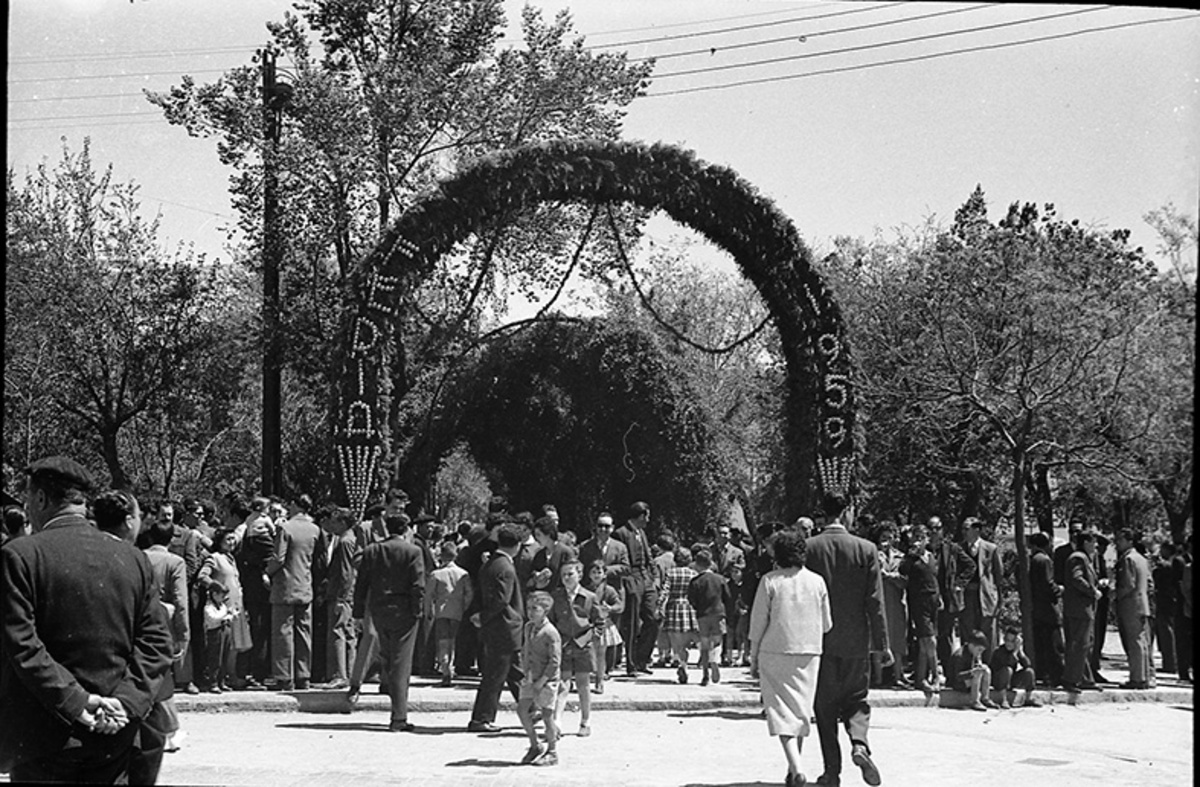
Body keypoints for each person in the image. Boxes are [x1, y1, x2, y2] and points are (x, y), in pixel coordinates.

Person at [0, 456, 173, 783]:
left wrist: (77, 701)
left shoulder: (20, 556)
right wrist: (127, 702)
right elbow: (157, 643)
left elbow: (21, 645)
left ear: (40, 499)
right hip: (116, 737)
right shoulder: (132, 557)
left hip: (44, 736)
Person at [804, 505, 888, 787]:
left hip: (820, 640)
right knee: (856, 700)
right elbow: (875, 601)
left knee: (824, 707)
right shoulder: (866, 549)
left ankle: (831, 772)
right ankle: (860, 743)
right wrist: (882, 643)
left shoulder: (809, 548)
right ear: (848, 513)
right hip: (856, 639)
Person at [748, 529, 832, 787]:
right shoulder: (817, 581)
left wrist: (753, 657)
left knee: (781, 712)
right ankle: (792, 766)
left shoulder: (769, 581)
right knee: (800, 711)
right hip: (809, 652)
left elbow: (758, 623)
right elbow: (827, 623)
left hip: (775, 651)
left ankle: (796, 768)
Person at [350, 513, 425, 731]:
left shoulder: (372, 550)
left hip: (378, 609)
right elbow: (418, 585)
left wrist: (358, 612)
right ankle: (399, 717)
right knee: (401, 662)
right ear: (406, 529)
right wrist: (417, 612)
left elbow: (361, 583)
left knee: (388, 656)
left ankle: (395, 709)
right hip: (404, 612)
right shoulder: (413, 551)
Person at [467, 522, 525, 733]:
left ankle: (531, 710)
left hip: (497, 627)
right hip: (504, 627)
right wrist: (482, 617)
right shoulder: (506, 567)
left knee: (514, 672)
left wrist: (477, 615)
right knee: (495, 676)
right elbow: (501, 600)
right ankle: (481, 718)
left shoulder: (490, 563)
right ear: (517, 545)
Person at [267, 494, 321, 691]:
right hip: (305, 585)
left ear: (296, 505)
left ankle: (283, 677)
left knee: (283, 632)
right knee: (304, 632)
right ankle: (303, 675)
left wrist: (267, 572)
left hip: (285, 586)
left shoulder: (285, 528)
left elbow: (279, 557)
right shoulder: (315, 529)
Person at [547, 560, 601, 737]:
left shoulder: (589, 597)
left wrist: (587, 638)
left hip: (583, 645)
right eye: (563, 575)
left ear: (579, 574)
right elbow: (552, 621)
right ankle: (557, 722)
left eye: (570, 574)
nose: (566, 578)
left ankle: (586, 721)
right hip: (563, 644)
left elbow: (598, 623)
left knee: (583, 684)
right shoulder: (556, 596)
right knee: (562, 684)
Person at [198, 528, 252, 688]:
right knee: (221, 646)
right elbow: (203, 576)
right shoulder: (214, 558)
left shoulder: (232, 559)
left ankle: (230, 676)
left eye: (233, 539)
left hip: (236, 607)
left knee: (234, 645)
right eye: (228, 539)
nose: (232, 542)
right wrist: (215, 586)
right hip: (223, 608)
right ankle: (220, 678)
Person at [613, 502, 660, 676]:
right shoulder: (621, 533)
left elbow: (649, 558)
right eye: (647, 516)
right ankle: (631, 664)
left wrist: (654, 577)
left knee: (654, 618)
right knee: (632, 624)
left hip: (645, 579)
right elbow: (621, 560)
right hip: (631, 579)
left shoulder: (642, 532)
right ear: (640, 516)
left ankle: (642, 658)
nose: (648, 520)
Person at [516, 592, 561, 767]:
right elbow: (525, 651)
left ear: (545, 610)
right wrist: (525, 673)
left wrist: (541, 681)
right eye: (528, 608)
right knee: (522, 710)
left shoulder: (550, 633)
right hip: (530, 676)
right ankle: (535, 744)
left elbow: (555, 661)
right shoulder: (528, 627)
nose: (530, 612)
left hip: (547, 680)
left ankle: (552, 751)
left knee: (547, 715)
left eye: (535, 608)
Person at [898, 524, 940, 693]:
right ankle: (936, 675)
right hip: (918, 600)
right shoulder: (910, 559)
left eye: (921, 537)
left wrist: (940, 596)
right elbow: (903, 571)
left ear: (927, 539)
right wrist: (910, 556)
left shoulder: (932, 557)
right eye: (915, 537)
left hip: (933, 599)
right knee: (929, 639)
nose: (918, 541)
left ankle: (921, 678)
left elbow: (935, 577)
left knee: (925, 642)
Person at [929, 516, 973, 676]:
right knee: (925, 636)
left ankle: (948, 672)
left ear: (942, 530)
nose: (933, 532)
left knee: (944, 635)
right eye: (931, 528)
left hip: (946, 598)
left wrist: (959, 584)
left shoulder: (951, 548)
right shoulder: (923, 548)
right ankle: (926, 670)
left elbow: (970, 565)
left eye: (937, 528)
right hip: (926, 598)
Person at [321, 508, 359, 689]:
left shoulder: (345, 542)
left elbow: (346, 572)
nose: (332, 524)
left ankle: (339, 674)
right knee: (348, 633)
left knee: (338, 632)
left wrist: (340, 598)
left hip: (341, 594)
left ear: (343, 523)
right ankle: (351, 673)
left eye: (335, 521)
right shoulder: (351, 539)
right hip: (349, 594)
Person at [426, 539, 472, 687]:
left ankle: (445, 668)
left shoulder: (436, 574)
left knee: (443, 641)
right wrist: (464, 606)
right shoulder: (463, 574)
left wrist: (428, 611)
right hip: (457, 611)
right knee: (453, 640)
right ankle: (450, 665)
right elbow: (469, 594)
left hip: (441, 612)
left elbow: (428, 595)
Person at [1061, 530, 1102, 692]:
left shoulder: (1085, 558)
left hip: (1084, 610)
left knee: (1085, 644)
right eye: (1093, 542)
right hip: (1079, 610)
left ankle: (1085, 678)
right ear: (1085, 542)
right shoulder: (1078, 558)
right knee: (1079, 644)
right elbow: (1077, 578)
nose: (1096, 546)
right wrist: (1093, 591)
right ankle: (1070, 679)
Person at [959, 517, 1003, 664]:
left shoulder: (991, 548)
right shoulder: (959, 548)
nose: (964, 532)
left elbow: (998, 575)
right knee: (968, 632)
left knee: (988, 634)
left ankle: (988, 668)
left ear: (976, 530)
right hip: (967, 596)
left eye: (967, 529)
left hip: (986, 597)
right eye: (963, 529)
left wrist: (999, 600)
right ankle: (968, 668)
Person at [1113, 528, 1153, 689]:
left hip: (1131, 604)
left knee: (1134, 642)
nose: (1116, 544)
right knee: (1142, 641)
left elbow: (1128, 584)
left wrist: (1115, 595)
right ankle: (1144, 676)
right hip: (1142, 603)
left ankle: (1137, 678)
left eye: (1120, 540)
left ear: (1130, 541)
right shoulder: (1141, 559)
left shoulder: (1128, 559)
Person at [872, 521, 909, 688]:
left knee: (897, 639)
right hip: (880, 601)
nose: (886, 540)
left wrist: (888, 576)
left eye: (889, 537)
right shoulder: (873, 555)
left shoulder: (901, 557)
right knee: (878, 638)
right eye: (883, 537)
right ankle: (878, 678)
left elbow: (905, 580)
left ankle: (897, 677)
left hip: (896, 601)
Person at [687, 549, 731, 686]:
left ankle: (705, 673)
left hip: (702, 615)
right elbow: (728, 597)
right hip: (718, 613)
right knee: (717, 641)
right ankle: (715, 660)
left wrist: (697, 608)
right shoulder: (720, 579)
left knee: (704, 645)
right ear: (710, 563)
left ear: (697, 564)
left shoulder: (695, 581)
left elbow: (691, 599)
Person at [1027, 532, 1064, 688]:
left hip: (1037, 608)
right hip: (1048, 609)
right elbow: (1048, 584)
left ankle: (1043, 674)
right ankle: (1056, 676)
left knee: (1041, 644)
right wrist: (1059, 590)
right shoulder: (1044, 560)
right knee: (1054, 644)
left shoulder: (1033, 560)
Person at [582, 559, 624, 694]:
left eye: (599, 572)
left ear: (604, 574)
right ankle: (586, 680)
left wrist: (610, 608)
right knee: (588, 654)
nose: (596, 575)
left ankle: (599, 681)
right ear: (588, 574)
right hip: (588, 625)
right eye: (593, 572)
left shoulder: (609, 590)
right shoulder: (585, 590)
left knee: (601, 654)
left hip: (603, 624)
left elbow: (619, 605)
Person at [660, 545, 698, 683]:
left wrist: (659, 606)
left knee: (676, 641)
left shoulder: (671, 573)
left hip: (674, 607)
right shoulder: (693, 574)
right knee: (687, 641)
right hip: (689, 607)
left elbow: (665, 591)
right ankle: (684, 664)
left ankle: (681, 662)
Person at [989, 627, 1041, 708]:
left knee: (1029, 672)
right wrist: (1015, 652)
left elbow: (1027, 664)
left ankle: (1028, 698)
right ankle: (1003, 700)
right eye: (1007, 640)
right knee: (1007, 670)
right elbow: (1008, 663)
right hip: (998, 680)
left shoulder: (1016, 651)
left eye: (1012, 641)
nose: (1009, 643)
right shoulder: (999, 651)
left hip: (1010, 680)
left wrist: (1020, 651)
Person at [528, 515, 577, 594]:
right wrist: (537, 576)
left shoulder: (566, 552)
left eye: (539, 534)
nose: (536, 538)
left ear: (549, 534)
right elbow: (532, 573)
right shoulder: (539, 554)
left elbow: (572, 577)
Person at [949, 630, 995, 711]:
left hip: (968, 680)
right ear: (971, 645)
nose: (980, 653)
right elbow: (957, 676)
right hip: (957, 682)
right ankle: (975, 701)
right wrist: (972, 672)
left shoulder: (974, 653)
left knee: (986, 670)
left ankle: (985, 698)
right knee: (977, 674)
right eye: (979, 650)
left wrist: (981, 667)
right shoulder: (960, 656)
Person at [1152, 542, 1179, 677]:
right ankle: (1170, 662)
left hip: (1165, 601)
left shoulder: (1167, 565)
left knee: (1166, 631)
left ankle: (1170, 663)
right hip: (1168, 601)